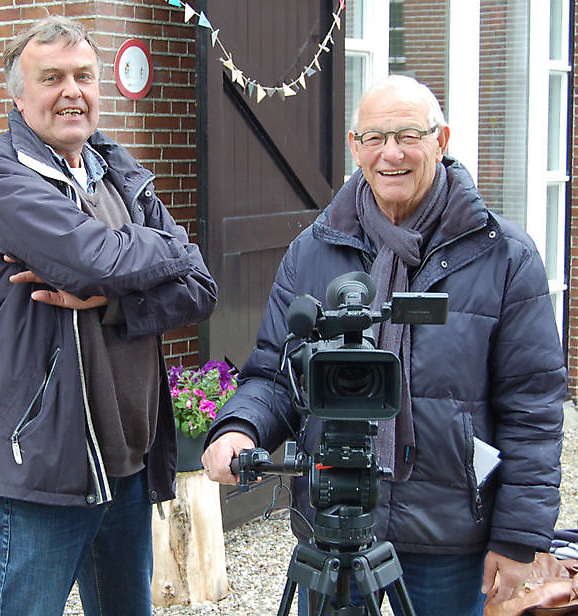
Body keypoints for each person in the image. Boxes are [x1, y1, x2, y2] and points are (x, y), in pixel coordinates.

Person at [202, 74, 566, 616]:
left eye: (408, 135)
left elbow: (532, 409)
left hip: (449, 535)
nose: (390, 153)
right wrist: (239, 427)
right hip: (334, 522)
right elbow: (276, 375)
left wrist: (517, 538)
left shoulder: (505, 256)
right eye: (374, 138)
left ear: (441, 142)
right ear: (354, 147)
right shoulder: (313, 250)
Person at [0, 16, 217, 616]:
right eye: (51, 78)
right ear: (19, 98)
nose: (71, 90)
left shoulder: (117, 171)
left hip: (125, 461)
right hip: (44, 469)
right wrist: (168, 251)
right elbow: (90, 259)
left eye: (83, 76)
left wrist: (118, 300)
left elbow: (200, 289)